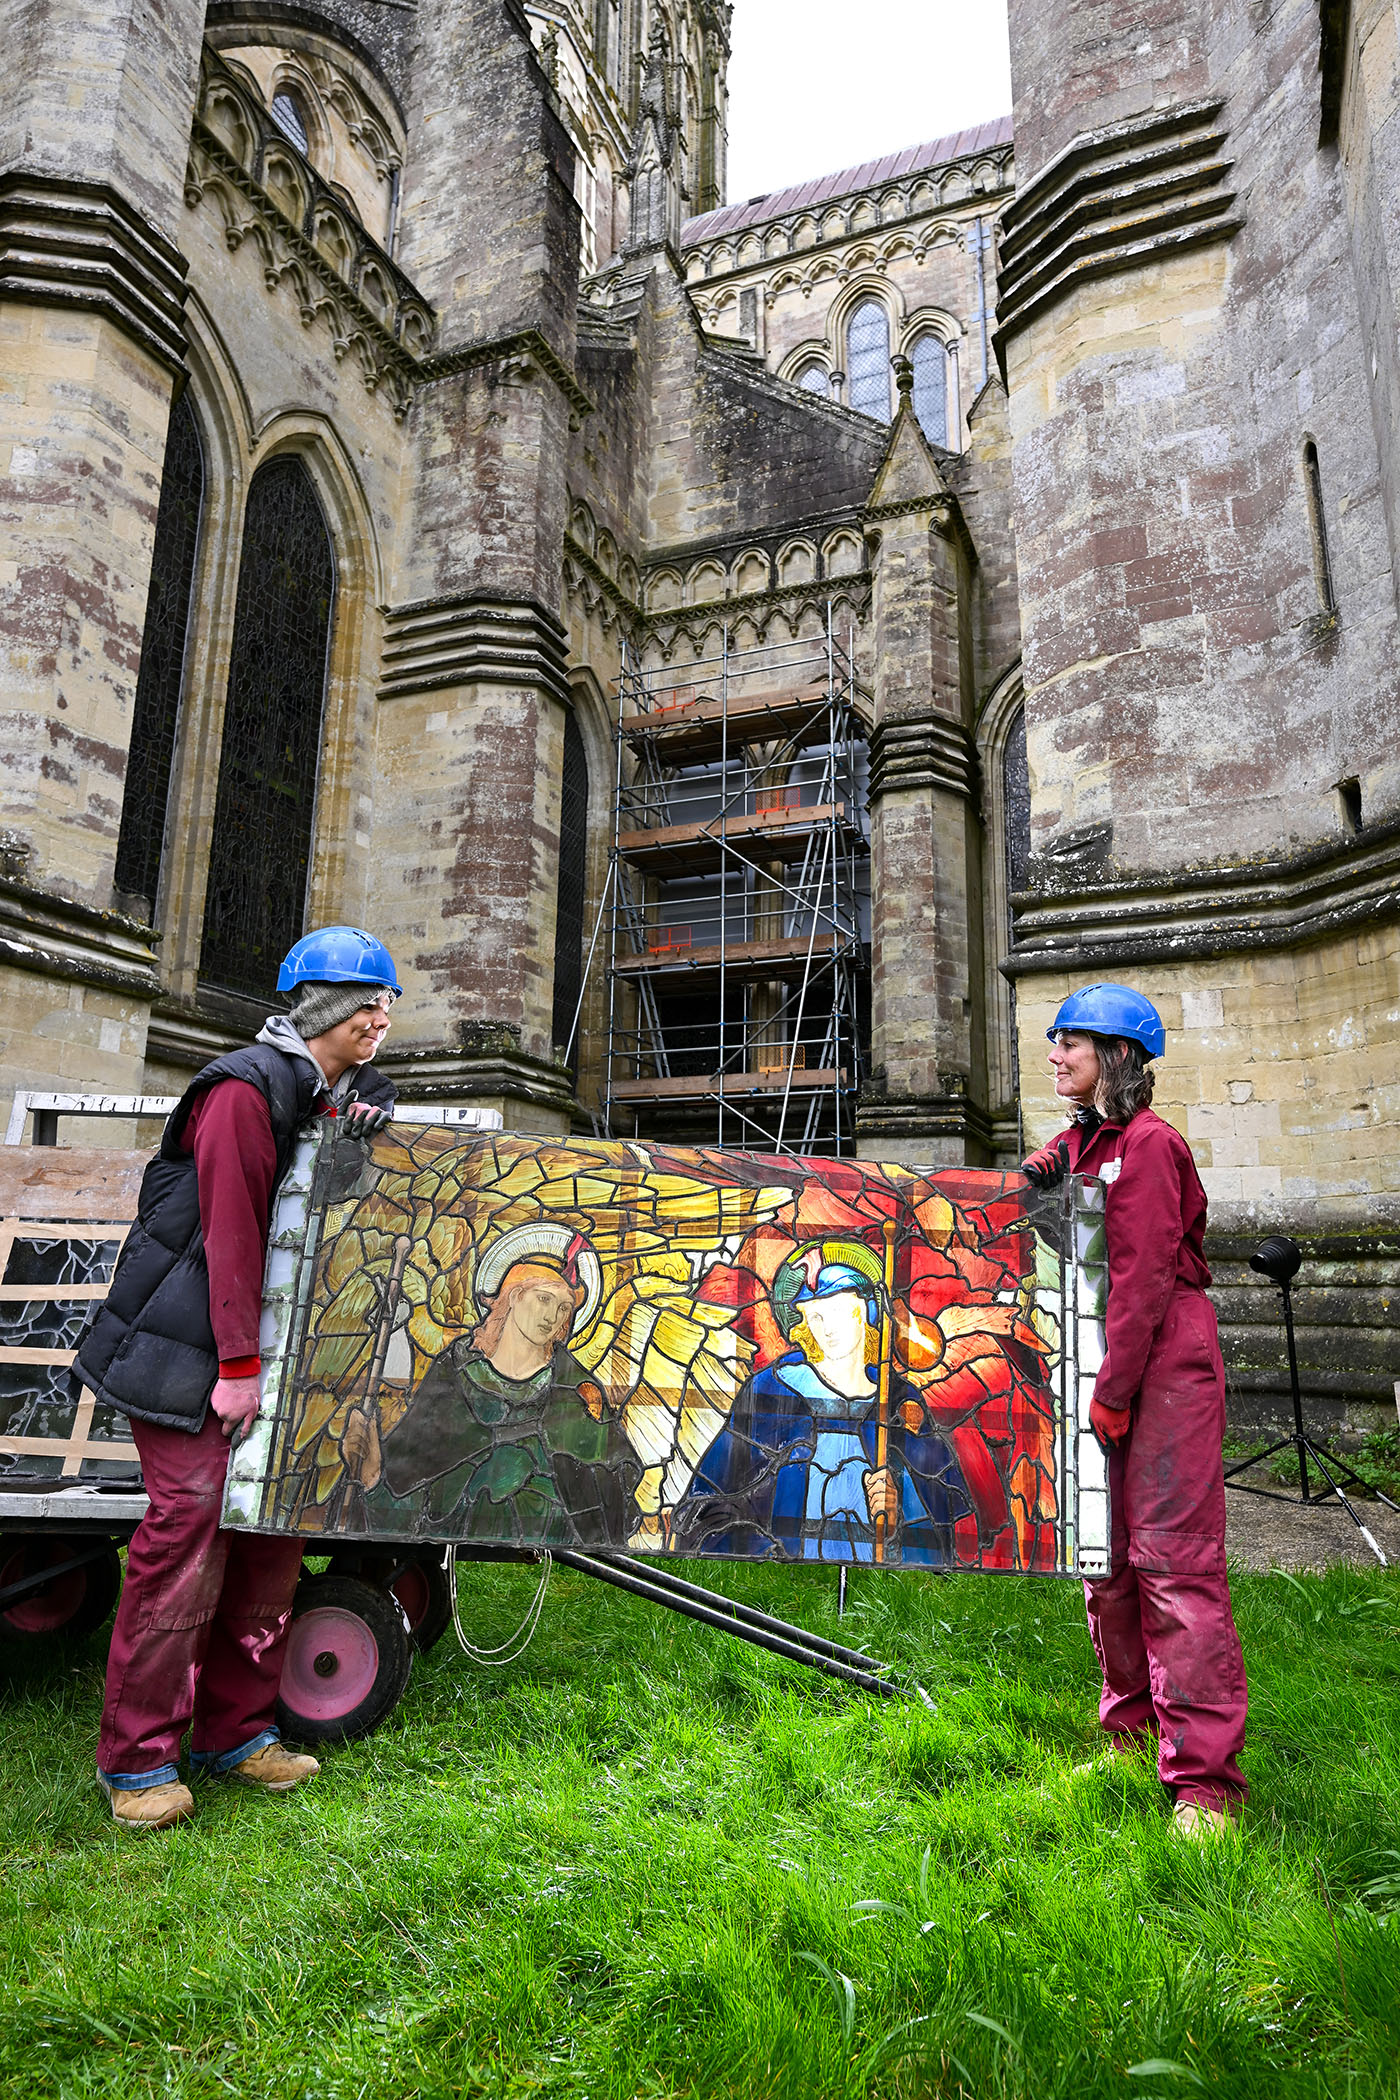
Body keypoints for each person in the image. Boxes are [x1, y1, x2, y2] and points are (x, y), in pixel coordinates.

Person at [75, 926, 400, 1832]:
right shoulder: (241, 1092)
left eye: (387, 1006)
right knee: (189, 1532)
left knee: (269, 1531)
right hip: (189, 1353)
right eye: (370, 1004)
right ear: (328, 1009)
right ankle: (138, 1759)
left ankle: (236, 1732)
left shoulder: (323, 1091)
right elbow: (232, 1234)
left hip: (269, 1359)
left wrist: (369, 1112)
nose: (383, 1019)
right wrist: (239, 1371)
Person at [1021, 981, 1247, 1838]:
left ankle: (1206, 1786)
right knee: (1105, 1559)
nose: (1054, 1055)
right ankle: (1131, 1734)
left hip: (1163, 1360)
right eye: (1053, 1041)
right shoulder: (1088, 1143)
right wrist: (1043, 1172)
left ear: (1115, 1054)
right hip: (1103, 1351)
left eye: (1069, 1042)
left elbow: (1145, 1274)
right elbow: (1068, 1226)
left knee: (1173, 1563)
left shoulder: (1151, 1145)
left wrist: (1113, 1393)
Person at [680, 1254, 971, 1562]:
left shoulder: (898, 1402)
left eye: (838, 1310)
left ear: (866, 1311)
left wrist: (901, 1508)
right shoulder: (775, 1390)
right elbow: (706, 1505)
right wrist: (767, 1554)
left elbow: (946, 1514)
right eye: (816, 1316)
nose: (828, 1328)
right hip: (785, 1575)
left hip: (871, 1580)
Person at [351, 1251, 639, 1546]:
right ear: (514, 1296)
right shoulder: (457, 1371)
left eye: (564, 1307)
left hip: (551, 1532)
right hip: (452, 1527)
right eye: (544, 1299)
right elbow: (410, 1476)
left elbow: (614, 1486)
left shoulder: (576, 1390)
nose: (552, 1317)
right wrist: (372, 1476)